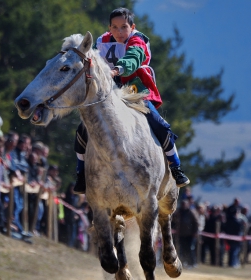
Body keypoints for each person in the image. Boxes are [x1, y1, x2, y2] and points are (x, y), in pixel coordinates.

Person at [74, 7, 190, 194]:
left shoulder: (138, 40)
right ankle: (81, 172)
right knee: (84, 127)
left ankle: (175, 167)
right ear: (109, 27)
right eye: (115, 27)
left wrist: (116, 70)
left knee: (158, 123)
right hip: (108, 91)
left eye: (124, 27)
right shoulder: (101, 42)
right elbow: (91, 59)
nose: (120, 32)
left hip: (134, 87)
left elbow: (133, 58)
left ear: (132, 26)